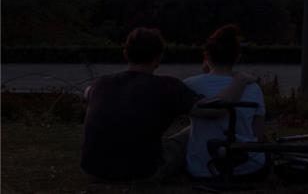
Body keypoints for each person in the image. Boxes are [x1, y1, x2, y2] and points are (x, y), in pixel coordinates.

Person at [80, 27, 255, 182]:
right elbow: (215, 110)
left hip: (93, 171)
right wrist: (240, 80)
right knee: (190, 133)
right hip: (143, 172)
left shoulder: (100, 84)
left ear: (125, 53)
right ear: (159, 57)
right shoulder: (167, 86)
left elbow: (88, 93)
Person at [184, 25, 267, 180]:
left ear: (206, 57)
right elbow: (258, 135)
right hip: (249, 169)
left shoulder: (190, 85)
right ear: (237, 57)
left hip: (202, 169)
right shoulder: (253, 88)